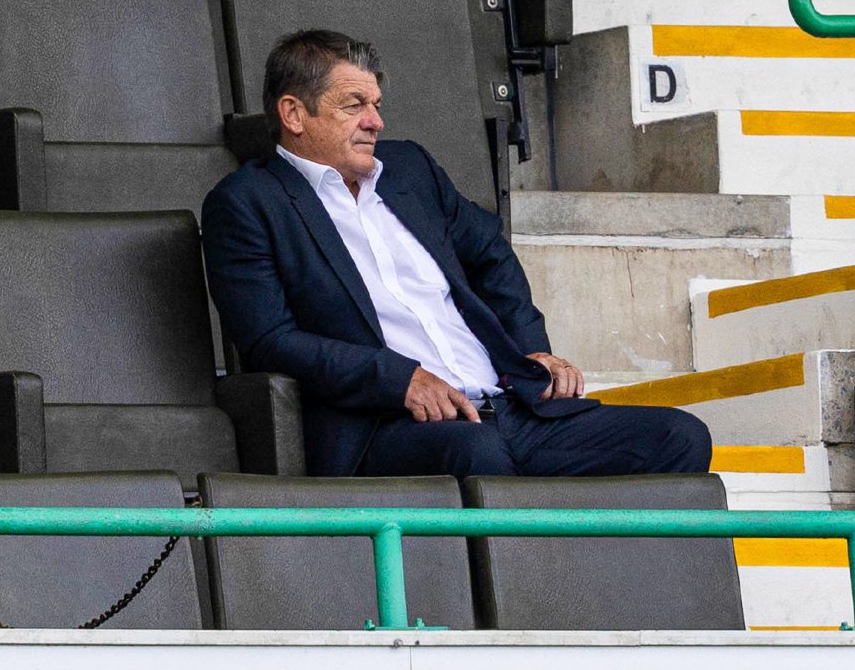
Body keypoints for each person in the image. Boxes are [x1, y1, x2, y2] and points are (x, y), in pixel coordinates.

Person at [202, 30, 712, 479]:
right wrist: (398, 380)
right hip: (388, 426)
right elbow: (271, 339)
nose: (375, 122)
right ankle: (524, 590)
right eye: (353, 105)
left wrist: (530, 348)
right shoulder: (248, 204)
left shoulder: (409, 169)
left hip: (510, 408)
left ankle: (611, 588)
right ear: (293, 113)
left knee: (679, 436)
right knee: (478, 451)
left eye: (377, 104)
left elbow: (491, 255)